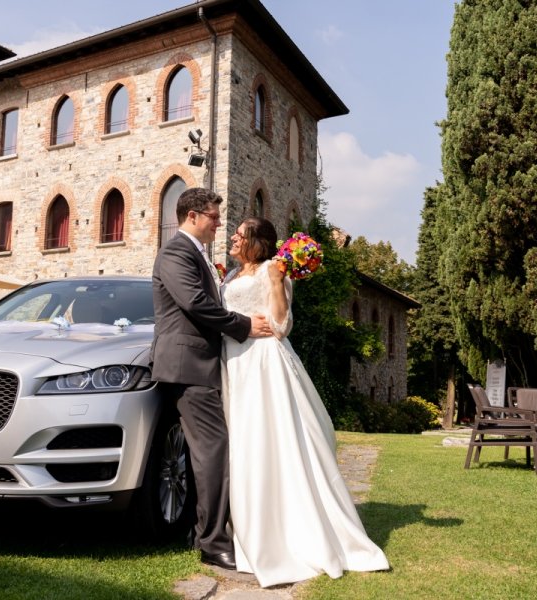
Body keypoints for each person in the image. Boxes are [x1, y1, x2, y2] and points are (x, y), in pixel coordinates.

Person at [221, 217, 390, 588]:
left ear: (259, 243)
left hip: (263, 365)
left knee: (269, 443)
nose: (233, 235)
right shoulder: (231, 274)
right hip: (234, 363)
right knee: (242, 444)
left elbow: (280, 326)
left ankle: (282, 533)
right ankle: (244, 524)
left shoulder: (272, 271)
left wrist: (279, 280)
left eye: (241, 233)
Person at [150, 188, 271, 571]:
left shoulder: (196, 253)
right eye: (213, 217)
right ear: (192, 217)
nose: (219, 224)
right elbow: (196, 304)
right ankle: (213, 542)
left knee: (203, 452)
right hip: (189, 364)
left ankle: (199, 530)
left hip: (202, 363)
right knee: (214, 450)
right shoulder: (175, 253)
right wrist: (244, 325)